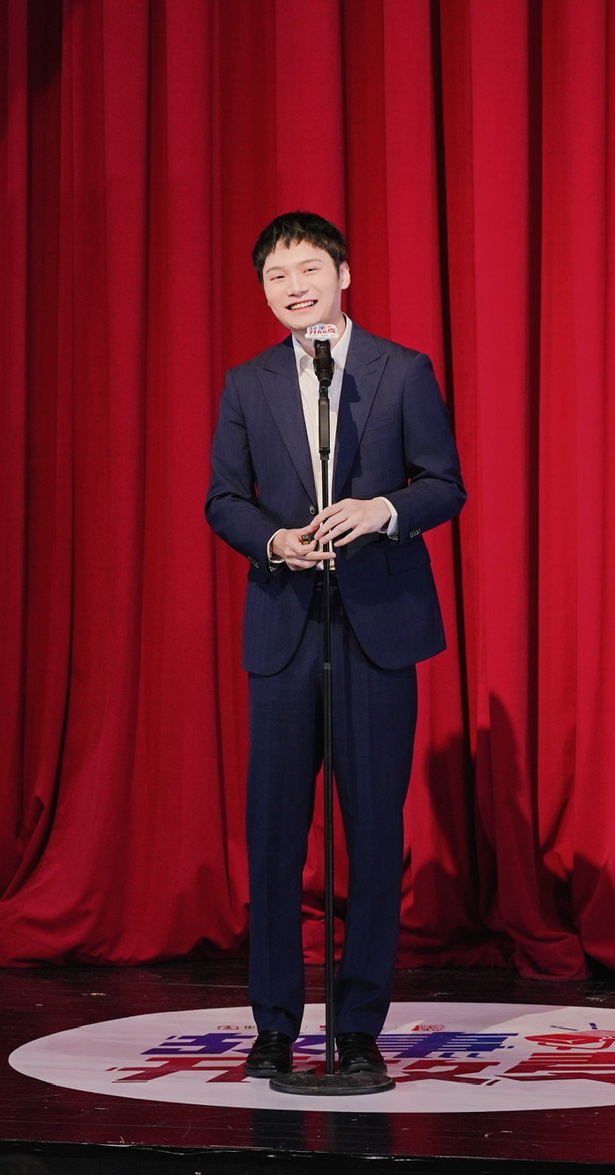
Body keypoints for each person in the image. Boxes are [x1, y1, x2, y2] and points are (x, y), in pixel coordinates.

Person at [203, 211, 466, 1085]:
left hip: (377, 629)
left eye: (309, 269)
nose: (295, 287)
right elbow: (224, 499)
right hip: (286, 628)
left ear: (343, 275)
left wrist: (382, 511)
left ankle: (358, 1027)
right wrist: (274, 541)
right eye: (277, 276)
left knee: (374, 833)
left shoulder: (402, 370)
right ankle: (274, 1025)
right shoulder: (247, 384)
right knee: (276, 836)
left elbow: (444, 484)